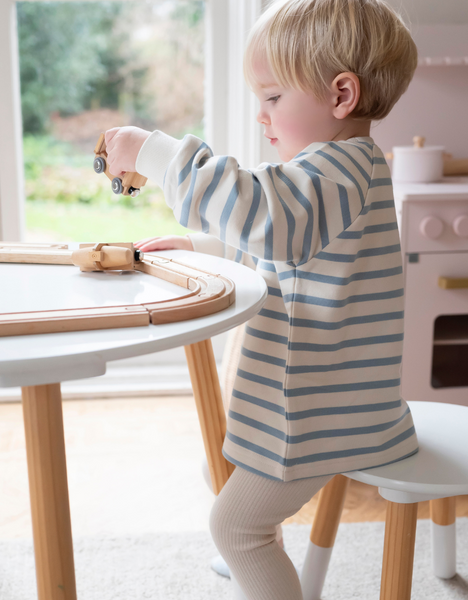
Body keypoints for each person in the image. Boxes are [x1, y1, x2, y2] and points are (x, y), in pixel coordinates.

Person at [105, 0, 419, 598]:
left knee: (236, 524)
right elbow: (285, 250)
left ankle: (253, 557)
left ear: (341, 95)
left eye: (273, 98)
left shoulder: (339, 170)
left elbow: (269, 220)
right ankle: (252, 558)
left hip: (325, 413)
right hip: (335, 399)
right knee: (217, 462)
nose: (261, 116)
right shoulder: (337, 171)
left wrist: (156, 152)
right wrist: (205, 243)